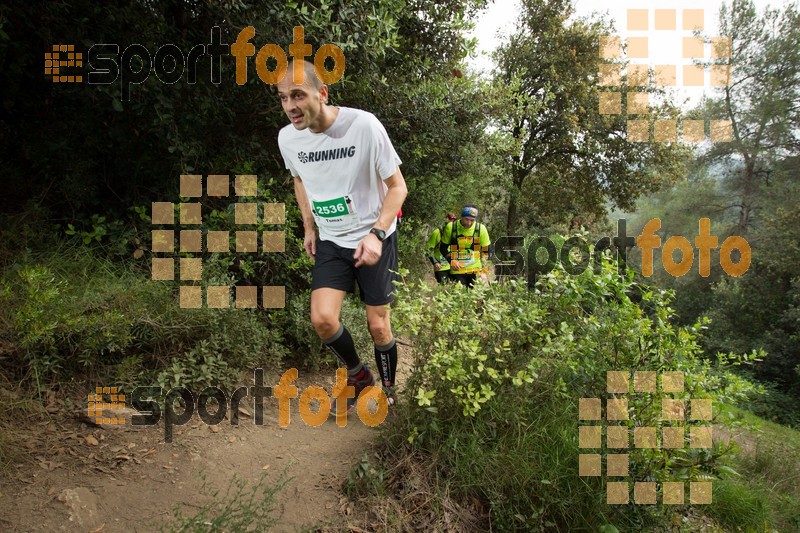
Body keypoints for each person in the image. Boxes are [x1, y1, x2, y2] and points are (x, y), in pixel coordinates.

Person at [277, 60, 407, 419]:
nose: (290, 106)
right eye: (284, 97)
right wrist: (308, 226)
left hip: (374, 235)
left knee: (379, 325)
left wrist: (377, 233)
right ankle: (359, 376)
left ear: (322, 93)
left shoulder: (363, 126)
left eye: (298, 95)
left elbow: (398, 186)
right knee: (322, 319)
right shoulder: (288, 138)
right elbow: (299, 178)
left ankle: (391, 391)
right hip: (333, 239)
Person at [439, 205, 492, 288]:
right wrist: (451, 260)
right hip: (457, 271)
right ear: (462, 217)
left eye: (472, 220)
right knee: (460, 298)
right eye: (466, 219)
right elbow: (443, 248)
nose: (469, 223)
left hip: (475, 269)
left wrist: (484, 271)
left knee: (479, 299)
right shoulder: (451, 227)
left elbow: (487, 250)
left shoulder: (481, 229)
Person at [426, 213, 457, 284]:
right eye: (450, 220)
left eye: (453, 221)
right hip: (441, 268)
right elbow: (428, 250)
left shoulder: (455, 233)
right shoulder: (437, 233)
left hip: (453, 266)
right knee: (444, 289)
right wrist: (435, 262)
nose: (451, 223)